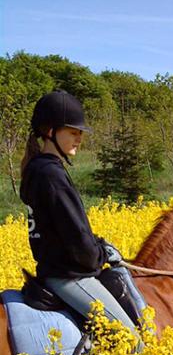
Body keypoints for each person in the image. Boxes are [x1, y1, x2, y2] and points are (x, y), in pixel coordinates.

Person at [20, 89, 145, 335]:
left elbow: (65, 228)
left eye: (80, 133)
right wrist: (99, 255)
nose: (79, 139)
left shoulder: (38, 169)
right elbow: (78, 241)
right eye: (73, 132)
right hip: (69, 277)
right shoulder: (51, 174)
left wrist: (99, 244)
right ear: (50, 131)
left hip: (54, 270)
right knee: (130, 340)